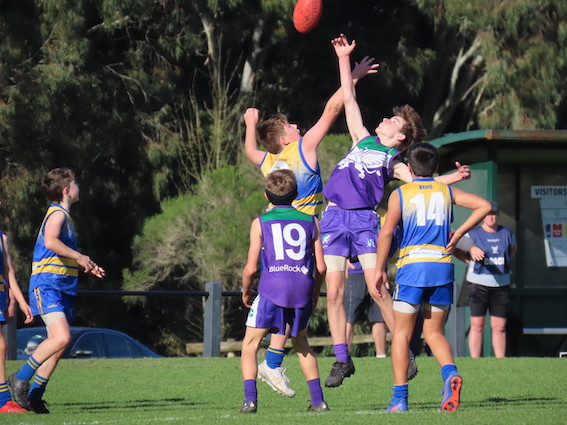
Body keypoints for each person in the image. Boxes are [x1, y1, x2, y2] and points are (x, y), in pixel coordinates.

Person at [322, 33, 471, 388]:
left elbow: (425, 182)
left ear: (402, 138)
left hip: (361, 220)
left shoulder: (394, 161)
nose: (386, 120)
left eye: (393, 122)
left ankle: (403, 346)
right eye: (388, 118)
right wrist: (345, 60)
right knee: (334, 290)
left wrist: (451, 177)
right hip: (332, 216)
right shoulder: (361, 138)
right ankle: (342, 360)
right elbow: (349, 97)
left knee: (377, 289)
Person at [242, 56, 378, 396]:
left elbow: (249, 150)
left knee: (290, 303)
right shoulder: (303, 148)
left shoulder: (269, 160)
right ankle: (272, 363)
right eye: (291, 126)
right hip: (305, 235)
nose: (297, 127)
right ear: (287, 139)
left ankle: (272, 362)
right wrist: (354, 75)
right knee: (303, 300)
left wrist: (249, 123)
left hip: (276, 238)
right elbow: (333, 110)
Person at [374, 142, 491, 412]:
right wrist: (459, 233)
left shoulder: (401, 194)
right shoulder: (446, 191)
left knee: (402, 335)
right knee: (434, 331)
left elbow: (387, 232)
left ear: (411, 168)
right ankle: (450, 374)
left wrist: (380, 268)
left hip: (412, 268)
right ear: (436, 168)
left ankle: (399, 400)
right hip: (441, 267)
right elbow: (484, 206)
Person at [9, 168, 105, 414]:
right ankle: (20, 378)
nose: (78, 188)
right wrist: (81, 256)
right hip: (47, 285)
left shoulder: (66, 216)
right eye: (76, 184)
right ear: (66, 190)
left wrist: (86, 264)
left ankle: (34, 396)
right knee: (61, 337)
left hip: (62, 287)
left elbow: (61, 251)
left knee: (60, 344)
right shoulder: (57, 214)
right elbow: (51, 242)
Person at [239, 170, 328, 413]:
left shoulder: (260, 222)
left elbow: (250, 269)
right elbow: (321, 266)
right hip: (302, 288)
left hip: (272, 288)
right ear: (296, 195)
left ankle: (250, 401)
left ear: (266, 195)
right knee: (301, 344)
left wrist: (246, 292)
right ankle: (318, 401)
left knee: (250, 344)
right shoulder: (312, 221)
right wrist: (315, 293)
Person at [458, 201, 517, 358]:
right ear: (483, 216)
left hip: (501, 284)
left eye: (493, 214)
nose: (490, 217)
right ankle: (475, 361)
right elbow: (457, 248)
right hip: (478, 284)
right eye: (487, 214)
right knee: (477, 325)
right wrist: (469, 261)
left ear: (497, 215)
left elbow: (513, 249)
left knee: (499, 326)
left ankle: (500, 360)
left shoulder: (507, 233)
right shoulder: (474, 233)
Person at [0, 228, 33, 413]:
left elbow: (9, 272)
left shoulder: (2, 237)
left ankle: (2, 400)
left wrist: (20, 301)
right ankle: (2, 401)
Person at [344, 260, 387, 358]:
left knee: (379, 319)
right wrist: (344, 261)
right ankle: (344, 357)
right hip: (355, 272)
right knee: (349, 319)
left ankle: (381, 357)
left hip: (376, 273)